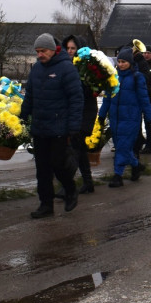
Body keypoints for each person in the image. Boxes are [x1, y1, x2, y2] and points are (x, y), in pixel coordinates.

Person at [21, 33, 82, 217]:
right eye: (37, 51)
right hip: (40, 127)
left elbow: (76, 99)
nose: (40, 55)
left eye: (43, 51)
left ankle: (70, 189)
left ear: (53, 50)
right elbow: (30, 95)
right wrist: (22, 116)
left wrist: (73, 126)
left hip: (59, 127)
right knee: (42, 168)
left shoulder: (66, 68)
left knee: (57, 163)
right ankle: (46, 204)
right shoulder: (37, 69)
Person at [100, 48, 151, 185]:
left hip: (131, 118)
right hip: (115, 118)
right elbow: (107, 98)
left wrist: (149, 116)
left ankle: (117, 176)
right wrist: (101, 115)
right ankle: (136, 166)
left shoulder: (137, 77)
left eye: (124, 61)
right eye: (118, 61)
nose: (121, 64)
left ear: (130, 62)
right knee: (120, 146)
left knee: (123, 147)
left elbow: (144, 98)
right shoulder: (113, 78)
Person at [63, 35, 98, 194]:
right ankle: (88, 182)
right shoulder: (66, 65)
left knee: (74, 149)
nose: (70, 51)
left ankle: (66, 185)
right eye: (68, 48)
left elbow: (90, 90)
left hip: (85, 111)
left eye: (73, 48)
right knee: (80, 148)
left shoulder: (87, 67)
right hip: (73, 112)